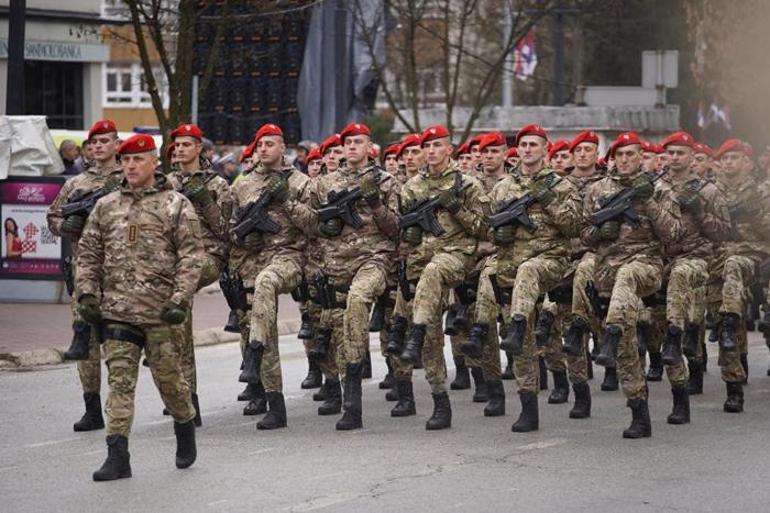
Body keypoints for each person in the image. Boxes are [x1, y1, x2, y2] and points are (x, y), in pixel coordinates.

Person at [76, 133, 204, 480]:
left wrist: (179, 299)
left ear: (153, 162)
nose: (130, 166)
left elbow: (192, 257)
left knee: (170, 382)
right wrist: (87, 293)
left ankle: (184, 422)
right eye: (126, 160)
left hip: (162, 313)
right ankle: (118, 455)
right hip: (117, 311)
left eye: (138, 159)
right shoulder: (106, 205)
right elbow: (88, 253)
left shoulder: (176, 204)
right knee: (119, 382)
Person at [582, 131, 681, 438]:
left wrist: (648, 200)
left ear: (641, 156)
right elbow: (582, 235)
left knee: (628, 276)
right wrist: (601, 231)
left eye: (631, 154)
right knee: (627, 350)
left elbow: (674, 234)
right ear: (612, 158)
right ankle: (639, 412)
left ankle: (609, 335)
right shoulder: (598, 189)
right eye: (619, 155)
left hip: (646, 266)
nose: (625, 160)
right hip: (607, 275)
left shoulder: (659, 188)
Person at [484, 124, 580, 432]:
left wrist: (547, 198)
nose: (526, 149)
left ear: (545, 149)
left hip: (551, 262)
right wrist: (501, 231)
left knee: (529, 275)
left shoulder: (561, 185)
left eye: (533, 144)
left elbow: (573, 226)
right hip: (512, 265)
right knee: (522, 345)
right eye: (523, 144)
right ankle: (528, 406)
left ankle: (519, 324)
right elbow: (489, 229)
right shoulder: (503, 187)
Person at [304, 122, 400, 430]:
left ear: (370, 146)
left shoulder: (385, 181)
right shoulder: (324, 183)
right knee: (339, 327)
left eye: (359, 142)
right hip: (335, 264)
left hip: (374, 259)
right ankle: (349, 400)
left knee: (358, 302)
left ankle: (355, 400)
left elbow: (397, 229)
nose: (353, 147)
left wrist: (375, 204)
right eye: (348, 143)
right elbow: (309, 223)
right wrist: (323, 226)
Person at [398, 125, 489, 430]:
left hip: (456, 257)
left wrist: (457, 208)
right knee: (431, 341)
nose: (433, 151)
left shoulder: (468, 185)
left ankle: (416, 330)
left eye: (439, 145)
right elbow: (405, 237)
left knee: (435, 270)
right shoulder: (411, 187)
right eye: (428, 146)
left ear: (450, 149)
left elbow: (482, 229)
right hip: (421, 267)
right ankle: (440, 402)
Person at [230, 123, 312, 430]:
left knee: (266, 284)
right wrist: (241, 239)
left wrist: (287, 200)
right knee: (264, 326)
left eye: (269, 144)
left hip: (290, 258)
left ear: (283, 147)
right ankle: (275, 404)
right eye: (259, 144)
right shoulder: (242, 185)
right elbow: (231, 226)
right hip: (254, 261)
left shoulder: (301, 182)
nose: (263, 149)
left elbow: (315, 226)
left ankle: (253, 353)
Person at [46, 120, 125, 434]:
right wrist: (68, 226)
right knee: (85, 340)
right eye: (93, 143)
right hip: (85, 270)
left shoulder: (128, 178)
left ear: (117, 145)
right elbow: (53, 216)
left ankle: (118, 408)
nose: (98, 147)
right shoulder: (76, 183)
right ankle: (92, 407)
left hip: (120, 273)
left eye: (105, 141)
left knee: (117, 342)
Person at [658, 131, 730, 424]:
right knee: (662, 331)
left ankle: (683, 392)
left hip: (696, 260)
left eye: (680, 153)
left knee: (677, 326)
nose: (674, 158)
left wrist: (701, 213)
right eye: (670, 153)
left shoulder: (708, 191)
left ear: (691, 156)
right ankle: (679, 393)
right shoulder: (654, 188)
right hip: (662, 260)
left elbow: (724, 232)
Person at [168, 123, 234, 425]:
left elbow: (227, 231)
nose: (180, 149)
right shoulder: (165, 184)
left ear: (199, 149)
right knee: (179, 319)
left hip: (207, 257)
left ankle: (186, 395)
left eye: (186, 144)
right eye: (176, 145)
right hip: (174, 258)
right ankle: (185, 396)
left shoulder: (218, 185)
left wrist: (205, 202)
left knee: (181, 293)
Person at [713, 138, 770, 412]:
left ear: (747, 162)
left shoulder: (762, 192)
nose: (728, 163)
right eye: (724, 159)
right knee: (728, 321)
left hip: (757, 257)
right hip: (721, 262)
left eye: (733, 158)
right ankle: (733, 388)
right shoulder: (711, 192)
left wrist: (757, 212)